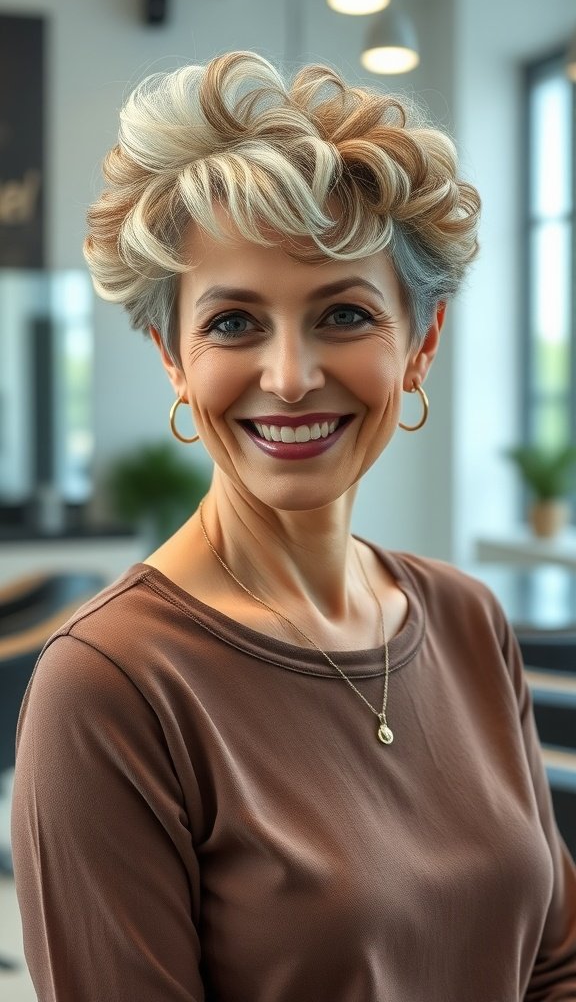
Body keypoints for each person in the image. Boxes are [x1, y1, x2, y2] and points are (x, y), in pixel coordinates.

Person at [11, 50, 576, 1002]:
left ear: (420, 344)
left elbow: (557, 961)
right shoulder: (109, 688)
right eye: (233, 324)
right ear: (172, 357)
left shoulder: (468, 622)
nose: (288, 377)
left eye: (345, 314)